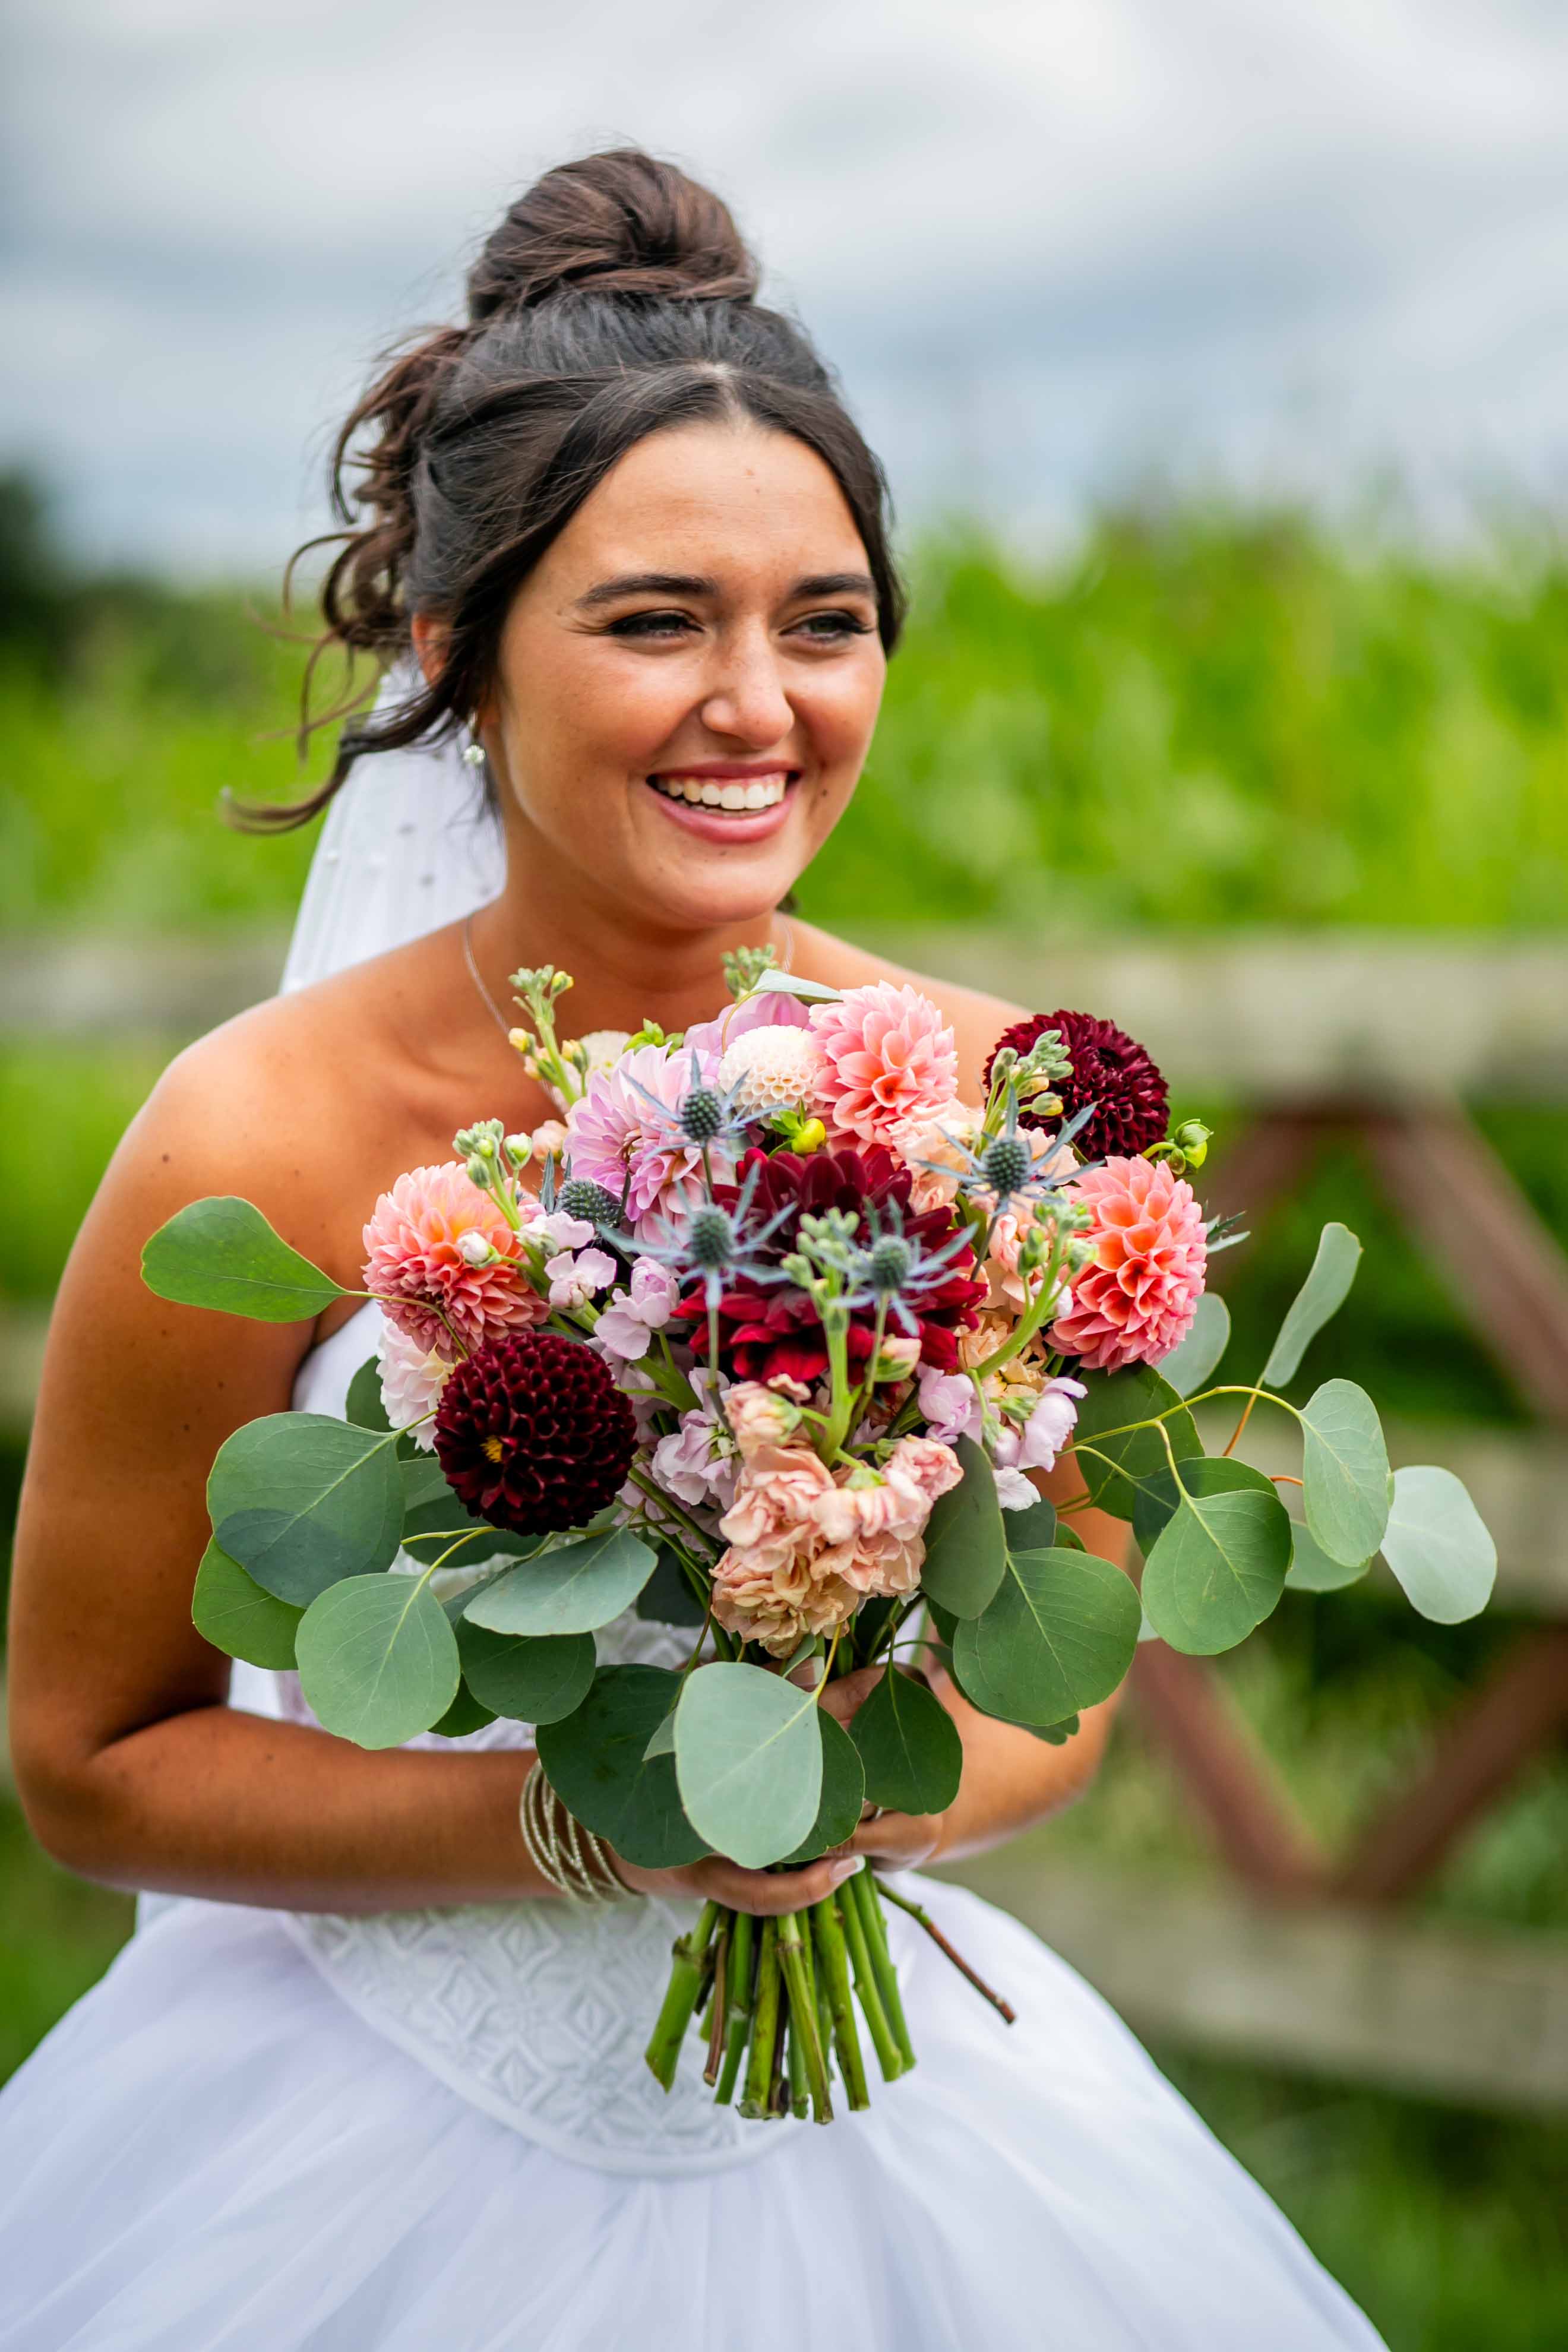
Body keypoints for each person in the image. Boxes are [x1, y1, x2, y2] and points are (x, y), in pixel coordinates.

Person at [1, 148, 1383, 2350]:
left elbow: (1064, 1696)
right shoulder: (254, 1141)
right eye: (659, 621)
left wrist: (837, 1797)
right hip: (359, 2141)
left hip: (900, 2142)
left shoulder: (991, 1096)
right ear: (460, 652)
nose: (762, 704)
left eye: (824, 623)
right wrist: (619, 1823)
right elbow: (88, 1763)